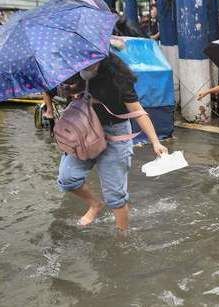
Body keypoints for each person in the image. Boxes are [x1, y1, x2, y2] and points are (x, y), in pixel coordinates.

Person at [57, 54, 168, 231]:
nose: (86, 67)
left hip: (115, 134)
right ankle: (95, 205)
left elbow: (138, 111)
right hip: (84, 131)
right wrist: (70, 91)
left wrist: (155, 142)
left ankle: (122, 239)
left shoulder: (118, 75)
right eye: (83, 65)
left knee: (115, 197)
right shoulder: (71, 68)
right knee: (67, 178)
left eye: (91, 65)